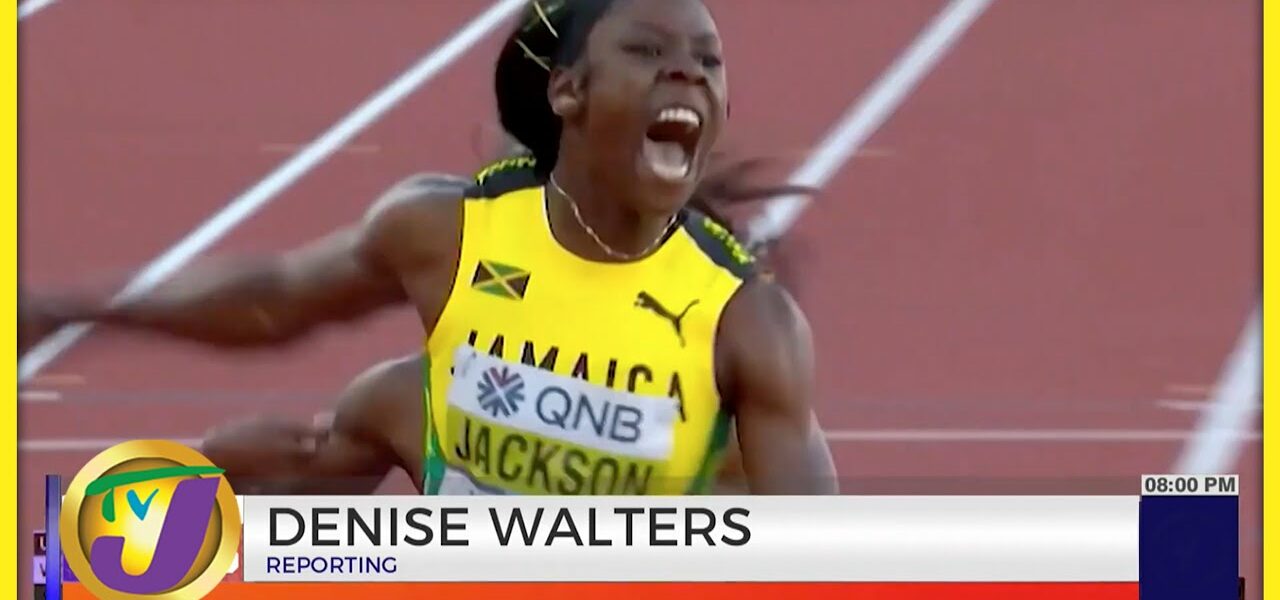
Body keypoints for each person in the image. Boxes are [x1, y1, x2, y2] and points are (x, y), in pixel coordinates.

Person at [23, 0, 837, 495]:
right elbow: (276, 300)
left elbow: (825, 561)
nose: (689, 73)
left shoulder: (747, 328)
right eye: (649, 51)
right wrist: (80, 313)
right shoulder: (448, 246)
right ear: (568, 91)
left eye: (708, 61)